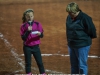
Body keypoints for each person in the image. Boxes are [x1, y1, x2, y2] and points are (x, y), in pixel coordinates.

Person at [66, 2, 97, 75]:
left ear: (76, 11)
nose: (69, 14)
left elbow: (92, 31)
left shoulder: (85, 18)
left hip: (82, 45)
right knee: (74, 65)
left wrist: (83, 40)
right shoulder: (69, 18)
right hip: (71, 45)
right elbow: (68, 30)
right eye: (69, 13)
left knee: (82, 65)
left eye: (71, 13)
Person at [20, 9, 45, 75]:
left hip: (36, 47)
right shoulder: (23, 26)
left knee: (40, 62)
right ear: (25, 17)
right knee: (28, 63)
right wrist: (28, 31)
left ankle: (43, 73)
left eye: (31, 16)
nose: (30, 18)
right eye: (28, 16)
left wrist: (40, 34)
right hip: (27, 47)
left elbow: (42, 35)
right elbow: (23, 38)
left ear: (33, 16)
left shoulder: (38, 24)